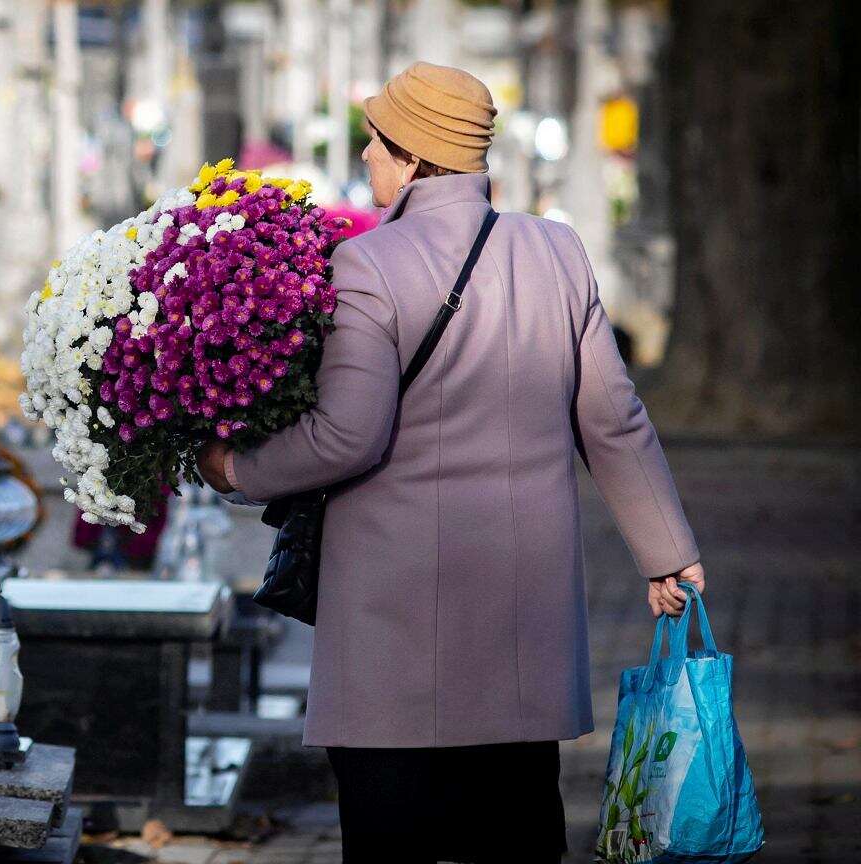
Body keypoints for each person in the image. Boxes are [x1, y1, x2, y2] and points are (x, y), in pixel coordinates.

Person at [197, 62, 704, 863]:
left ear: (413, 156)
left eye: (375, 139)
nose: (365, 155)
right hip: (521, 624)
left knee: (390, 842)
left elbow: (347, 437)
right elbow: (612, 419)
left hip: (394, 635)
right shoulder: (558, 252)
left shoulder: (368, 265)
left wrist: (235, 470)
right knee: (517, 839)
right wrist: (667, 553)